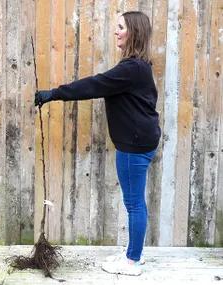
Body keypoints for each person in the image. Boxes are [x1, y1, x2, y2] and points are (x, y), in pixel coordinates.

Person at [35, 11, 161, 276]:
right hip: (141, 141)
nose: (116, 32)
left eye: (120, 27)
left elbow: (94, 85)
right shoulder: (139, 67)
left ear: (133, 33)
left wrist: (54, 94)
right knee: (136, 201)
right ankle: (133, 254)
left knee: (134, 203)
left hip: (134, 145)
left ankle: (132, 261)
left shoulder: (132, 69)